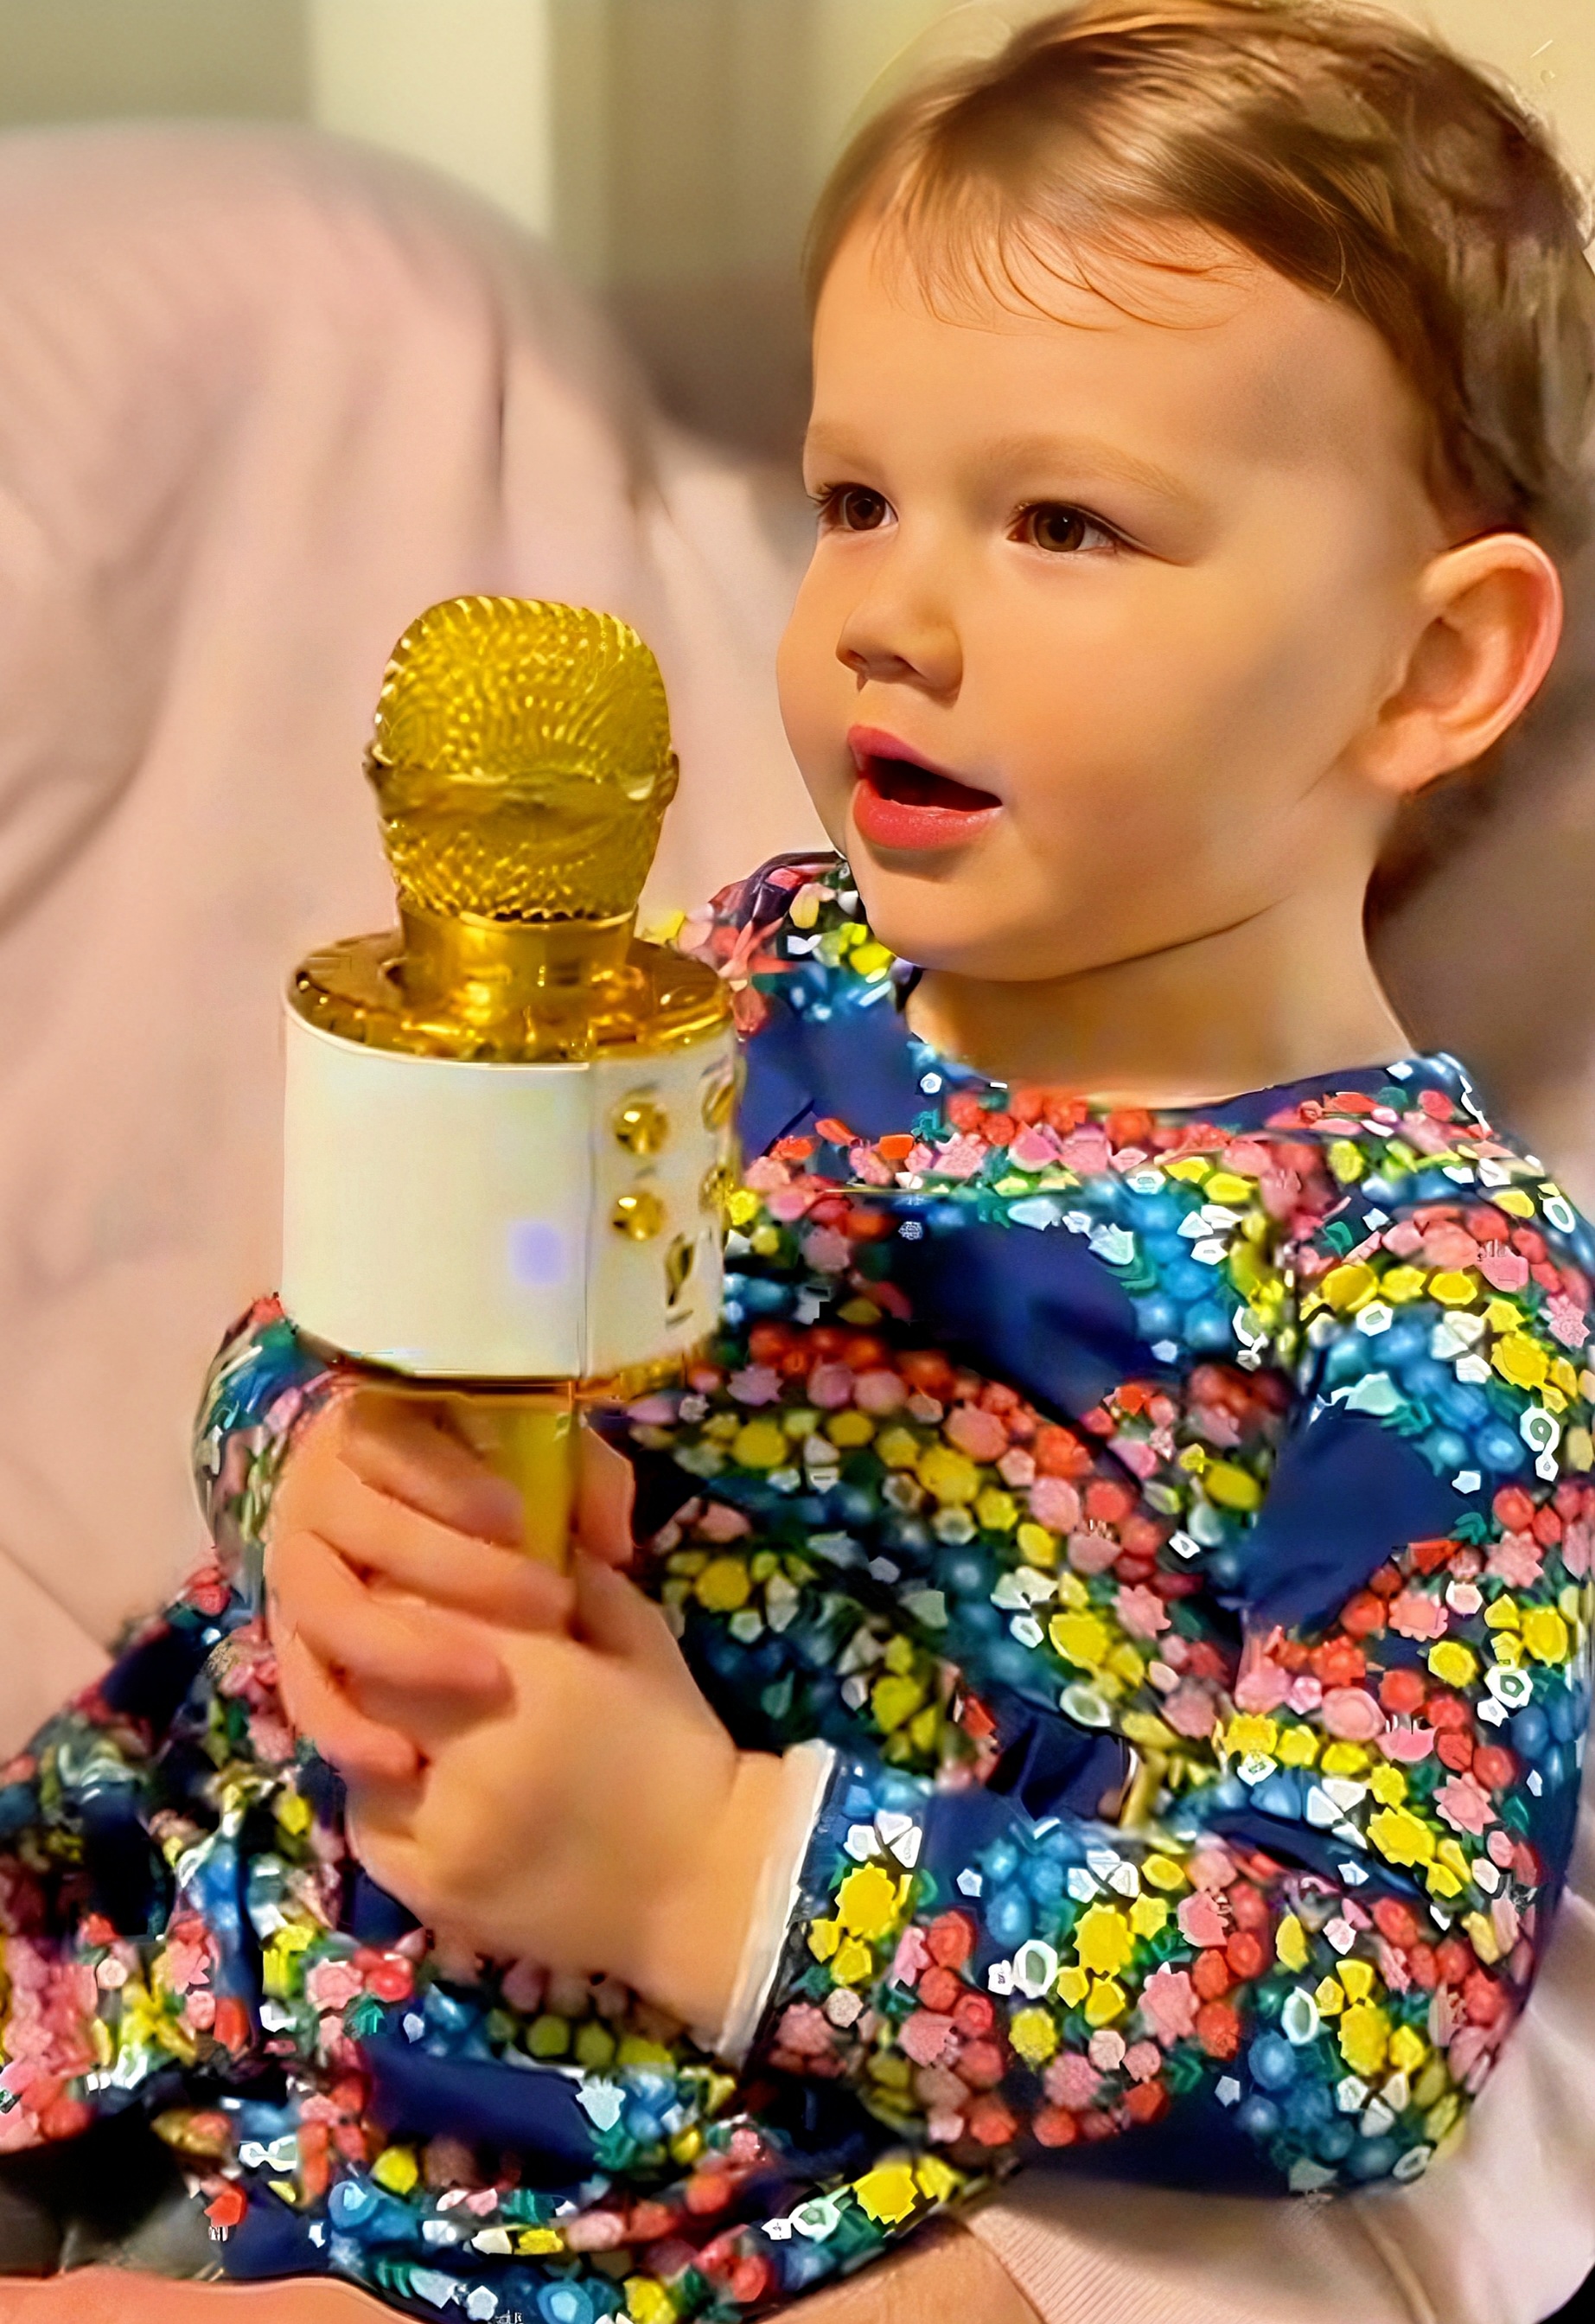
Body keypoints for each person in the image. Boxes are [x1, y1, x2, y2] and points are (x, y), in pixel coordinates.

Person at [3, 1, 1595, 2316]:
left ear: (1431, 670)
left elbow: (1364, 2010)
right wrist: (328, 1476)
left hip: (644, 2190)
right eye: (858, 499)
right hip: (185, 1973)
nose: (888, 617)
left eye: (1064, 523)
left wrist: (702, 1860)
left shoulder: (1432, 1289)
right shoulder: (745, 980)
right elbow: (353, 1328)